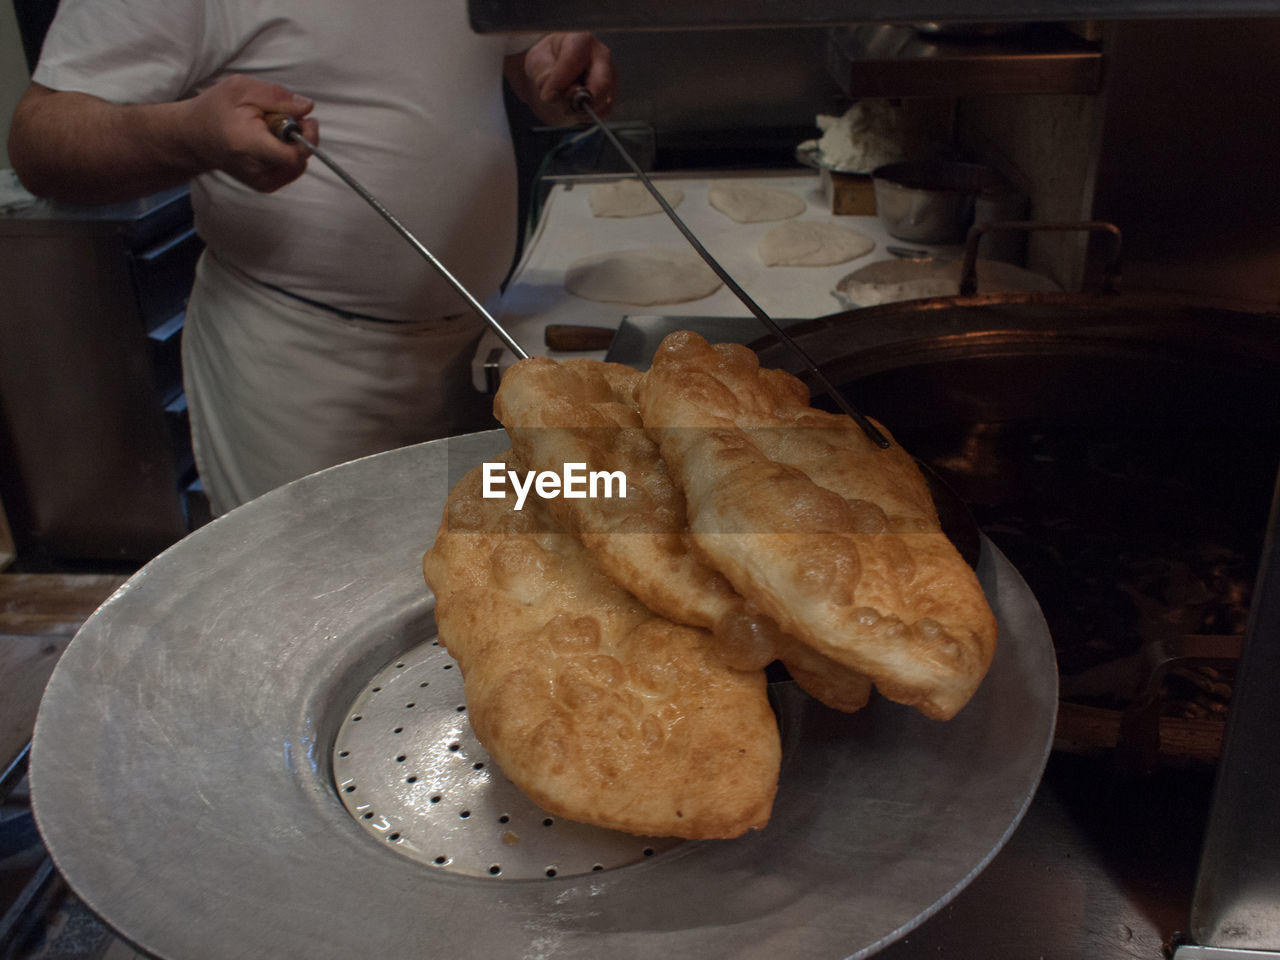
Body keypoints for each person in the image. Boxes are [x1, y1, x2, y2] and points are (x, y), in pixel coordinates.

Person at [7, 1, 616, 516]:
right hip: (304, 376)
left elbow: (516, 48)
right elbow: (41, 140)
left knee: (471, 587)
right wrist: (186, 134)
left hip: (480, 341)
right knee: (313, 612)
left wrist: (551, 62)